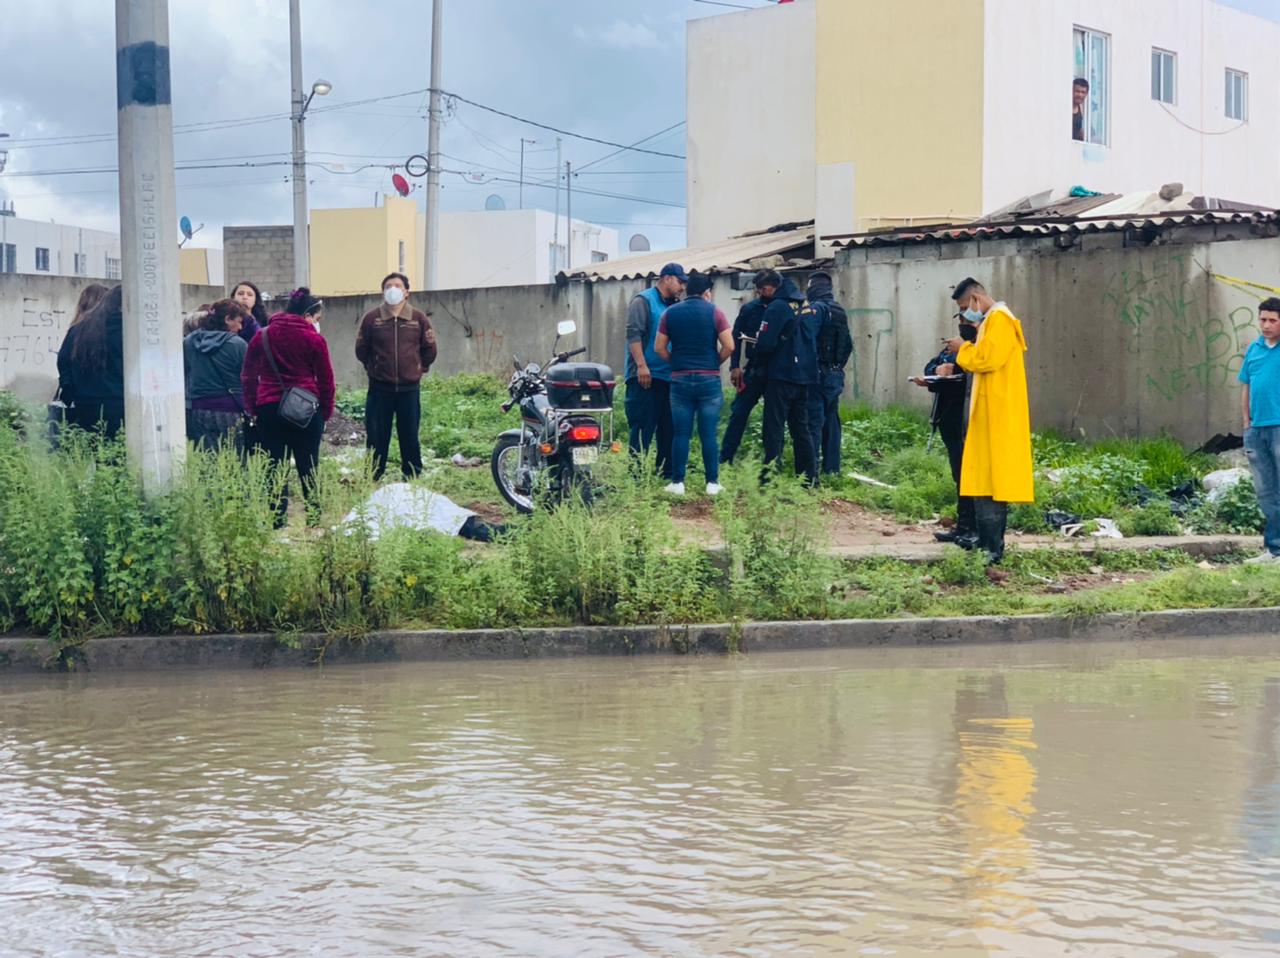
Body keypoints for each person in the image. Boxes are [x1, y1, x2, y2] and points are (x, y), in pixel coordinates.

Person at [941, 277, 1034, 563]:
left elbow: (986, 359)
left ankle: (993, 549)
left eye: (964, 306)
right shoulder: (990, 322)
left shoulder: (1000, 320)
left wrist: (962, 349)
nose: (965, 313)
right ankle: (985, 543)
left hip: (999, 412)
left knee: (993, 480)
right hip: (989, 411)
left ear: (977, 299)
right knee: (983, 477)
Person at [241, 287, 335, 526]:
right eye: (316, 317)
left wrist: (253, 407)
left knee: (274, 465)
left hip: (269, 407)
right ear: (308, 315)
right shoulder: (314, 339)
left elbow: (248, 376)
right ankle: (313, 517)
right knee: (309, 464)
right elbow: (326, 380)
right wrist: (325, 412)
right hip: (306, 408)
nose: (316, 322)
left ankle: (277, 519)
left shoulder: (261, 336)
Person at [653, 273, 734, 496]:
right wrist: (714, 362)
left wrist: (676, 362)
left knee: (681, 433)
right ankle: (712, 483)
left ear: (688, 290)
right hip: (708, 380)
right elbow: (729, 345)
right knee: (708, 433)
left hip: (679, 380)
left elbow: (659, 348)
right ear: (707, 292)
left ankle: (677, 482)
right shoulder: (715, 312)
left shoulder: (670, 313)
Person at [355, 272, 437, 480]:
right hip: (379, 388)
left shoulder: (418, 319)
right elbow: (361, 349)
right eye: (388, 286)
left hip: (409, 389)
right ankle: (373, 474)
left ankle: (412, 474)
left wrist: (420, 368)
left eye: (398, 285)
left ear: (406, 292)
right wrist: (373, 368)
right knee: (376, 435)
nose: (393, 289)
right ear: (383, 292)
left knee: (409, 434)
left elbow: (430, 349)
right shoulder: (372, 319)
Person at [913, 312, 980, 547]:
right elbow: (933, 364)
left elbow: (975, 377)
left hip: (969, 421)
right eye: (961, 321)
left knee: (970, 477)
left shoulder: (979, 348)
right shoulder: (956, 346)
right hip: (949, 419)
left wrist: (959, 362)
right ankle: (963, 527)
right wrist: (938, 370)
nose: (964, 326)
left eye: (969, 322)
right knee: (959, 474)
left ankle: (974, 529)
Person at [753, 275, 819, 486]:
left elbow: (765, 344)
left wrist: (758, 365)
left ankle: (769, 479)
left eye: (761, 290)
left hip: (781, 376)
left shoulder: (776, 308)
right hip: (805, 377)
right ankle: (809, 479)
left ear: (770, 287)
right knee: (801, 429)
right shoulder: (806, 305)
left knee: (774, 428)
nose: (760, 295)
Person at [624, 262, 686, 478]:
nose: (682, 287)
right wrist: (641, 365)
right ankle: (636, 475)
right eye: (680, 282)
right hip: (645, 377)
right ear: (667, 278)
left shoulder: (675, 306)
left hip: (669, 378)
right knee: (642, 428)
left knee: (669, 428)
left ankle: (665, 474)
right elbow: (633, 334)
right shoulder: (644, 301)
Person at [720, 269, 779, 465]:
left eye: (765, 288)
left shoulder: (785, 308)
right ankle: (725, 459)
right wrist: (735, 366)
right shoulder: (750, 309)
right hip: (754, 368)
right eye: (759, 289)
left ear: (775, 286)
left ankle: (771, 465)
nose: (762, 292)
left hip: (777, 371)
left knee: (774, 418)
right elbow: (735, 337)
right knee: (739, 412)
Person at [1238, 297, 1280, 563]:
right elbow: (1246, 387)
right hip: (1256, 430)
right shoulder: (1253, 350)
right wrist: (1245, 423)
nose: (1266, 325)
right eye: (1263, 319)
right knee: (1265, 491)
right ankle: (1274, 549)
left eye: (1272, 320)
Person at [56, 284, 125, 439]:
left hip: (85, 402)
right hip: (122, 402)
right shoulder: (129, 329)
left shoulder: (79, 329)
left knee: (92, 450)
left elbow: (63, 362)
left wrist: (71, 393)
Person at [184, 299, 250, 451]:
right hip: (231, 411)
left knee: (206, 460)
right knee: (234, 459)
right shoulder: (238, 344)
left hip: (198, 409)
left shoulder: (190, 341)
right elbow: (247, 377)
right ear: (227, 319)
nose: (240, 327)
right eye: (238, 322)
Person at [804, 271, 853, 476]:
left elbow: (807, 340)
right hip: (835, 374)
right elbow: (848, 345)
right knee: (832, 421)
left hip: (818, 374)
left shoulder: (817, 309)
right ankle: (832, 469)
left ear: (813, 287)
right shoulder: (839, 310)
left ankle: (811, 471)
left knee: (814, 421)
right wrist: (837, 365)